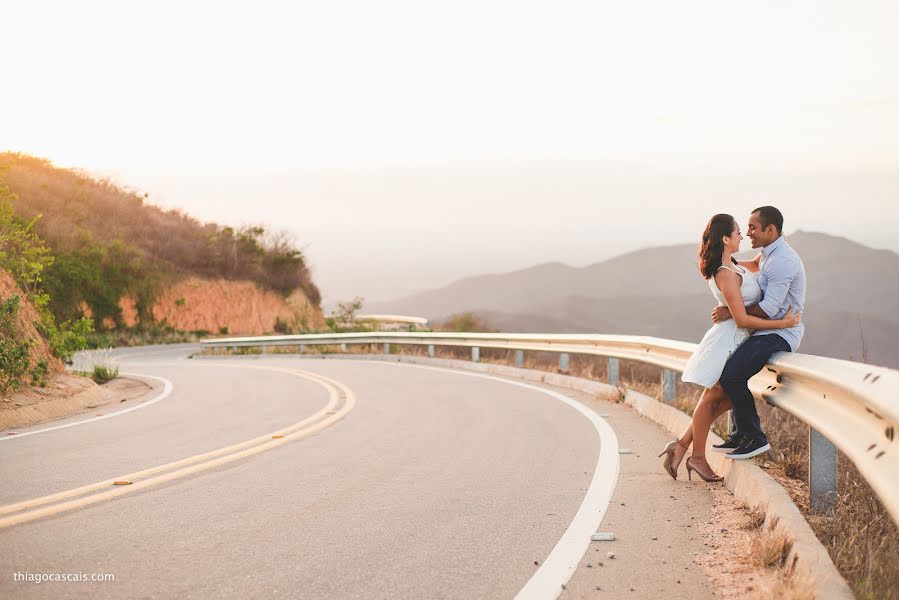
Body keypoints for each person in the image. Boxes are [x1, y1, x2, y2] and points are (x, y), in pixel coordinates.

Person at [659, 212, 801, 481]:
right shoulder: (725, 273)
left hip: (737, 336)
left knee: (719, 397)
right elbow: (742, 319)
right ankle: (697, 457)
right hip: (729, 338)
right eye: (738, 231)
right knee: (714, 396)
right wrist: (783, 324)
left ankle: (681, 446)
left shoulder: (734, 263)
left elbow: (762, 261)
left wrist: (778, 239)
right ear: (726, 238)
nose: (743, 235)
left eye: (747, 229)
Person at [713, 206, 806, 460]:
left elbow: (767, 309)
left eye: (753, 228)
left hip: (780, 333)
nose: (749, 233)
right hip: (763, 330)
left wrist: (731, 312)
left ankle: (755, 438)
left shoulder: (783, 261)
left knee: (732, 375)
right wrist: (719, 264)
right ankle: (739, 434)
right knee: (730, 371)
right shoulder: (767, 254)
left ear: (771, 229)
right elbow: (747, 267)